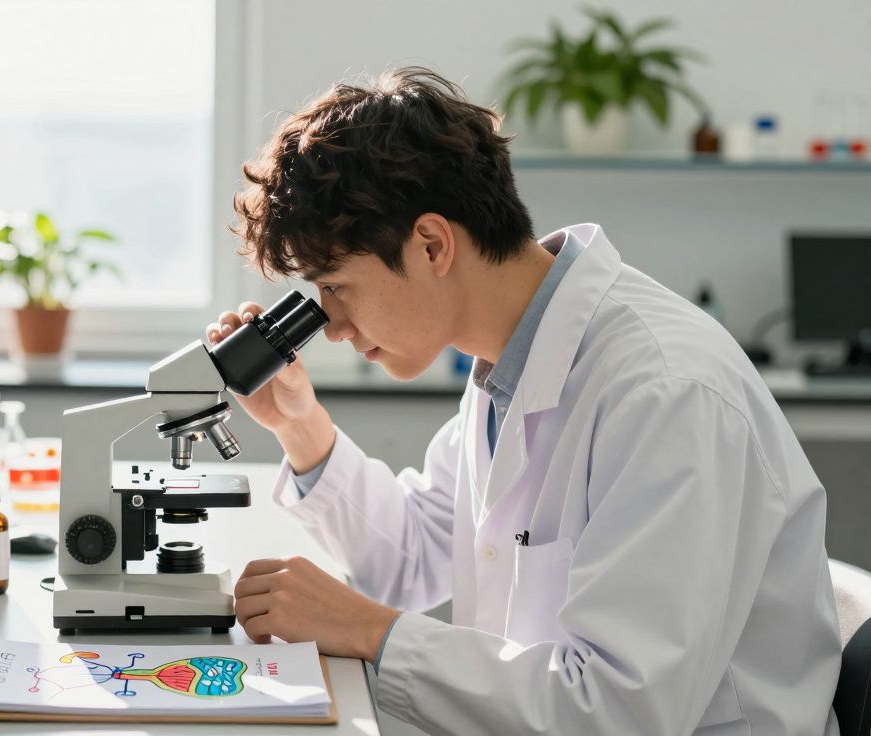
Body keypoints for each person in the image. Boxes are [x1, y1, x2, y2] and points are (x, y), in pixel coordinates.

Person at [209, 67, 841, 734]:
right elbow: (414, 557)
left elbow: (619, 711)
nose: (332, 325)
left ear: (431, 244)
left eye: (335, 286)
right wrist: (300, 425)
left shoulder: (664, 392)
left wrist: (372, 631)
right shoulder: (511, 365)